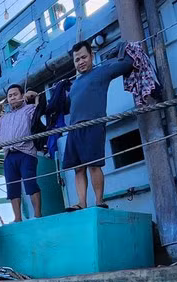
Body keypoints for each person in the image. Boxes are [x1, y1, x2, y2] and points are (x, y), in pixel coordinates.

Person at [63, 40, 134, 211]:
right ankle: (81, 202)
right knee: (78, 169)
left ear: (92, 56)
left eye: (83, 57)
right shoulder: (73, 85)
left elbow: (127, 64)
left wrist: (121, 49)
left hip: (93, 125)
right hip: (74, 129)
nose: (81, 62)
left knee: (94, 165)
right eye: (77, 60)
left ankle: (99, 200)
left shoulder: (101, 72)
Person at [0, 83, 43, 222]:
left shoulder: (29, 109)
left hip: (26, 152)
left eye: (15, 94)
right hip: (9, 155)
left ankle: (37, 215)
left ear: (22, 96)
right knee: (12, 188)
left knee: (30, 184)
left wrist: (35, 97)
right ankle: (17, 218)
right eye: (10, 96)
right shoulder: (4, 117)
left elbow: (39, 115)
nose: (13, 97)